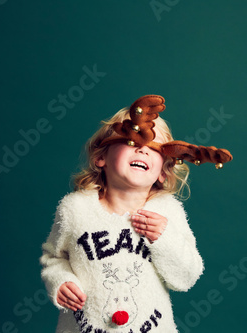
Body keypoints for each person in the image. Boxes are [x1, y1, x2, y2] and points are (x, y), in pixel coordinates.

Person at [40, 97, 206, 333]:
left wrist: (164, 237)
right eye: (131, 140)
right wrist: (60, 281)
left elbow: (186, 277)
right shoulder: (75, 209)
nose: (142, 150)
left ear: (163, 172)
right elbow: (54, 258)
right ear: (101, 157)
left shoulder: (168, 212)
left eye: (154, 148)